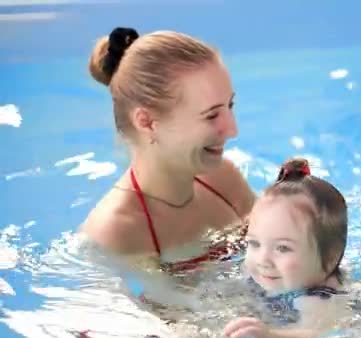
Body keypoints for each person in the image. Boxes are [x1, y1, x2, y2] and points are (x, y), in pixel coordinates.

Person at [80, 26, 255, 274]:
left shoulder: (223, 179)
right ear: (148, 122)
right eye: (211, 115)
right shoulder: (116, 232)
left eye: (230, 105)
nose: (232, 130)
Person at [222, 158, 349, 338]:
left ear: (329, 258)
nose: (262, 259)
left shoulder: (320, 300)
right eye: (254, 243)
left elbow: (314, 334)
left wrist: (271, 336)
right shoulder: (256, 267)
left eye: (282, 248)